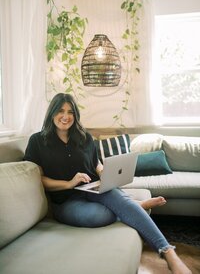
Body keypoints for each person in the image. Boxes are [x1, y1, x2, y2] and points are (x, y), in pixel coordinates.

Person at [24, 93, 191, 274]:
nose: (66, 116)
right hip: (65, 200)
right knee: (100, 217)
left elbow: (96, 164)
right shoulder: (37, 141)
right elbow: (39, 179)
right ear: (52, 113)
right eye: (61, 111)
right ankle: (134, 206)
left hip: (94, 188)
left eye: (70, 112)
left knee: (115, 197)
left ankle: (167, 251)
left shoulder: (84, 137)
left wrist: (105, 174)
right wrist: (68, 183)